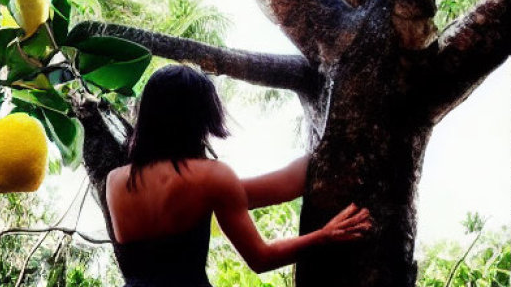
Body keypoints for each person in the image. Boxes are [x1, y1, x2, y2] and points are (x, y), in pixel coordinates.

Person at [106, 64, 372, 286]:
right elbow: (261, 258)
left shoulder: (115, 181)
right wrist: (325, 235)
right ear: (201, 117)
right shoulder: (211, 178)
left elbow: (266, 188)